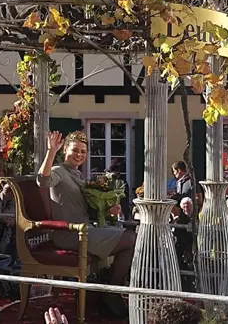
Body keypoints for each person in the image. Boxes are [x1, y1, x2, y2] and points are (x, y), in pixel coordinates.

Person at [37, 131, 136, 318]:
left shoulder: (79, 176)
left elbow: (85, 210)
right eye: (75, 150)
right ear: (65, 150)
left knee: (131, 237)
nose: (79, 154)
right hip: (69, 234)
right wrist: (51, 152)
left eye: (83, 151)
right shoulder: (58, 171)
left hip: (86, 230)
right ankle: (111, 292)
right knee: (129, 239)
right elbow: (42, 181)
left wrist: (108, 211)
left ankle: (109, 288)